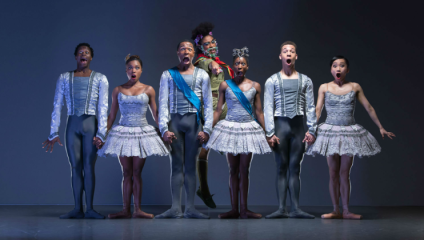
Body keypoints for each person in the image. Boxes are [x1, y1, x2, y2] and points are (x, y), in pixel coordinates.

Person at [306, 56, 395, 219]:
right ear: (331, 69)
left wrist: (381, 127)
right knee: (333, 173)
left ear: (347, 69)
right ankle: (335, 210)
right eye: (335, 66)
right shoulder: (324, 87)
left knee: (344, 173)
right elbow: (318, 110)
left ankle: (346, 210)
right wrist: (311, 130)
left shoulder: (355, 87)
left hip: (349, 132)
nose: (338, 68)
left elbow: (369, 107)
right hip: (330, 132)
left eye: (341, 65)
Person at [96, 55, 169, 219]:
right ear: (126, 70)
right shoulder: (118, 90)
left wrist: (164, 131)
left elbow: (156, 114)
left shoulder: (149, 89)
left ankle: (137, 209)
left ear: (141, 70)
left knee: (137, 171)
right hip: (123, 132)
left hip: (142, 132)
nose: (133, 70)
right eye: (130, 67)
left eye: (136, 67)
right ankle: (125, 209)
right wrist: (101, 135)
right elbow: (111, 116)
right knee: (126, 171)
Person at [42, 43, 108, 219]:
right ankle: (77, 208)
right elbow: (57, 104)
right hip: (72, 126)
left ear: (91, 57)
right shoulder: (64, 77)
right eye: (80, 52)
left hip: (90, 126)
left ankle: (90, 209)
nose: (83, 54)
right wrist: (53, 132)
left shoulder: (100, 78)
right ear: (75, 57)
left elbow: (103, 107)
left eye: (86, 52)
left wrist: (101, 133)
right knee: (75, 166)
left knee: (89, 166)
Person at [206, 47, 271, 219]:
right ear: (232, 67)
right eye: (237, 63)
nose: (239, 66)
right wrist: (207, 130)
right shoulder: (225, 85)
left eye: (242, 63)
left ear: (247, 66)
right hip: (230, 128)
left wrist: (269, 133)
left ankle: (244, 209)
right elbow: (218, 110)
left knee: (245, 168)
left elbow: (259, 112)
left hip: (248, 128)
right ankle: (234, 209)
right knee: (232, 169)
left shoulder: (255, 86)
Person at [156, 40, 213, 219]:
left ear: (193, 54)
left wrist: (208, 130)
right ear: (177, 53)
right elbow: (163, 103)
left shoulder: (202, 75)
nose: (186, 51)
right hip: (175, 125)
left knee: (191, 166)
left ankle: (190, 208)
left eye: (189, 49)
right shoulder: (168, 74)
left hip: (194, 126)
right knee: (176, 165)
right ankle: (175, 208)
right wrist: (164, 129)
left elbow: (208, 104)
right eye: (182, 48)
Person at [264, 41, 317, 219]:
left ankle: (295, 208)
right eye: (285, 51)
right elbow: (267, 107)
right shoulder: (272, 80)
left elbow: (310, 106)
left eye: (292, 51)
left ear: (296, 56)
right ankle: (281, 209)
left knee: (295, 167)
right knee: (281, 167)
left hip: (298, 128)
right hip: (280, 127)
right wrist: (270, 133)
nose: (288, 53)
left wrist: (312, 130)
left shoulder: (306, 80)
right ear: (280, 56)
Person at [190, 22, 235, 208]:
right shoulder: (203, 62)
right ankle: (204, 189)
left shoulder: (215, 59)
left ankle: (233, 199)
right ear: (200, 47)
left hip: (225, 105)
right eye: (207, 44)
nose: (212, 45)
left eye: (213, 42)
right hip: (212, 106)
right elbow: (210, 64)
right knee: (207, 146)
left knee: (230, 145)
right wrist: (215, 66)